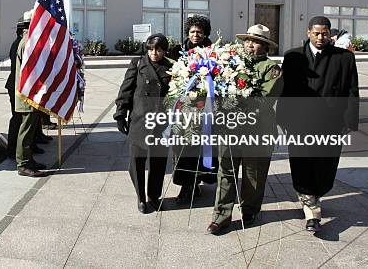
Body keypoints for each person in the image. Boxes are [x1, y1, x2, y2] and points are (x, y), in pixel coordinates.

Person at [277, 16, 359, 233]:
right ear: (308, 33)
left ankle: (315, 194)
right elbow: (285, 90)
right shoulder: (293, 56)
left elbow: (352, 90)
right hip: (300, 121)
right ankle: (311, 209)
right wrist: (283, 118)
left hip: (331, 122)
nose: (321, 37)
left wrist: (350, 120)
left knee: (326, 165)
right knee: (302, 162)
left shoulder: (344, 58)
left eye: (325, 33)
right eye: (316, 33)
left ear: (330, 34)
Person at [207, 24, 283, 234]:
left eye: (256, 42)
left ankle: (249, 210)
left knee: (253, 174)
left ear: (265, 47)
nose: (250, 45)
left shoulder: (271, 69)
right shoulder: (230, 63)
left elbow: (265, 100)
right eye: (248, 40)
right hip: (229, 129)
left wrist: (236, 99)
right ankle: (221, 216)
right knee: (226, 172)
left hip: (257, 131)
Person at [114, 33, 173, 213]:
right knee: (137, 160)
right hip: (139, 119)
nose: (153, 53)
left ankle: (153, 196)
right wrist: (120, 113)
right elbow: (127, 88)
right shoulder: (138, 63)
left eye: (158, 49)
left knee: (158, 161)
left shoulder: (171, 67)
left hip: (161, 122)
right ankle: (141, 197)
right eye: (150, 49)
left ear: (164, 50)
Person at [172, 15, 218, 202]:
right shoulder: (179, 51)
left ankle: (198, 180)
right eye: (192, 31)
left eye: (199, 31)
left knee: (204, 145)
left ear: (205, 32)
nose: (195, 35)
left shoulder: (215, 52)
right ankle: (186, 184)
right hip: (185, 108)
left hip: (207, 106)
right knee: (184, 148)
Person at [14, 9, 48, 177]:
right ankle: (23, 164)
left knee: (30, 129)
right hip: (28, 95)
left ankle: (29, 160)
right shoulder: (28, 42)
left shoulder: (28, 40)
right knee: (26, 131)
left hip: (31, 94)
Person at [4, 17, 25, 159]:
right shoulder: (18, 44)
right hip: (15, 85)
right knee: (17, 117)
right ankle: (12, 148)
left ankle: (28, 145)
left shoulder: (20, 43)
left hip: (18, 84)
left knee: (24, 118)